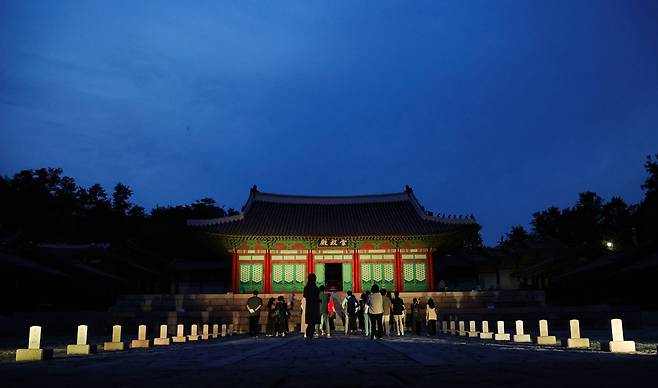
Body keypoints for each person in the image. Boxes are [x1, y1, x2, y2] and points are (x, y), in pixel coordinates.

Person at [303, 273, 321, 340]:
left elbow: (305, 296)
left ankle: (308, 335)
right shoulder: (316, 288)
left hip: (308, 306)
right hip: (314, 306)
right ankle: (310, 335)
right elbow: (317, 297)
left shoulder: (306, 288)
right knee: (313, 322)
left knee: (309, 322)